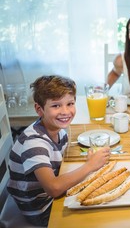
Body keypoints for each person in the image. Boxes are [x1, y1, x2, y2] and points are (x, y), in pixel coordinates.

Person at [7, 75, 111, 226]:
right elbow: (54, 188)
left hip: (47, 199)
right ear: (39, 109)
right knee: (102, 216)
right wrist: (90, 166)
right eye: (56, 106)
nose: (65, 111)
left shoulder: (59, 130)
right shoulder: (34, 143)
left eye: (70, 103)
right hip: (41, 210)